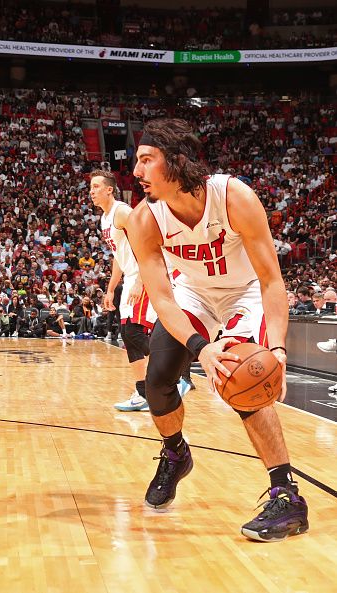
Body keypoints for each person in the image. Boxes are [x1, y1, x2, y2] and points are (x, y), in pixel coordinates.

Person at [126, 118, 308, 541]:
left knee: (240, 375)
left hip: (244, 292)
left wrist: (277, 349)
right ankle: (175, 455)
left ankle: (287, 496)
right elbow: (163, 299)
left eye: (147, 160)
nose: (137, 172)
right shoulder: (144, 219)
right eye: (137, 161)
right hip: (192, 295)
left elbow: (271, 281)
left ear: (177, 162)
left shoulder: (233, 197)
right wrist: (199, 347)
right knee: (156, 381)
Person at [91, 169, 193, 412]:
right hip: (131, 275)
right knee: (128, 335)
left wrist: (140, 281)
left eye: (96, 187)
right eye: (91, 187)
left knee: (133, 331)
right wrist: (111, 288)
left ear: (109, 190)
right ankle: (143, 393)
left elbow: (144, 242)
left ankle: (178, 375)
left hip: (145, 272)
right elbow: (118, 254)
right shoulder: (105, 219)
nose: (91, 191)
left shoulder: (123, 212)